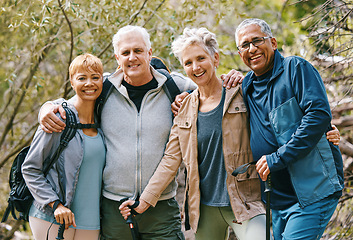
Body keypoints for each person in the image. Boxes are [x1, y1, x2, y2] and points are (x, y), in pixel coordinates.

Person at [120, 27, 268, 240]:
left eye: (201, 58)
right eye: (188, 63)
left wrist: (325, 129)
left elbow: (275, 116)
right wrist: (143, 202)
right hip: (204, 209)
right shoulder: (185, 108)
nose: (195, 67)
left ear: (215, 58)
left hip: (246, 202)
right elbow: (171, 160)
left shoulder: (240, 92)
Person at [232, 18, 344, 240]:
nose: (252, 49)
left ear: (273, 42)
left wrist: (277, 158)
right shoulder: (247, 86)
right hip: (277, 200)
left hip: (312, 193)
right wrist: (182, 99)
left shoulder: (296, 68)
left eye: (257, 41)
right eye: (245, 45)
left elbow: (318, 115)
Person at [22, 53, 106, 240]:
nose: (89, 83)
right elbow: (30, 168)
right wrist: (55, 204)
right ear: (71, 82)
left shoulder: (104, 120)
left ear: (102, 80)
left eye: (95, 77)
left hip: (91, 222)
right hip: (53, 217)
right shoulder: (58, 119)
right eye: (81, 78)